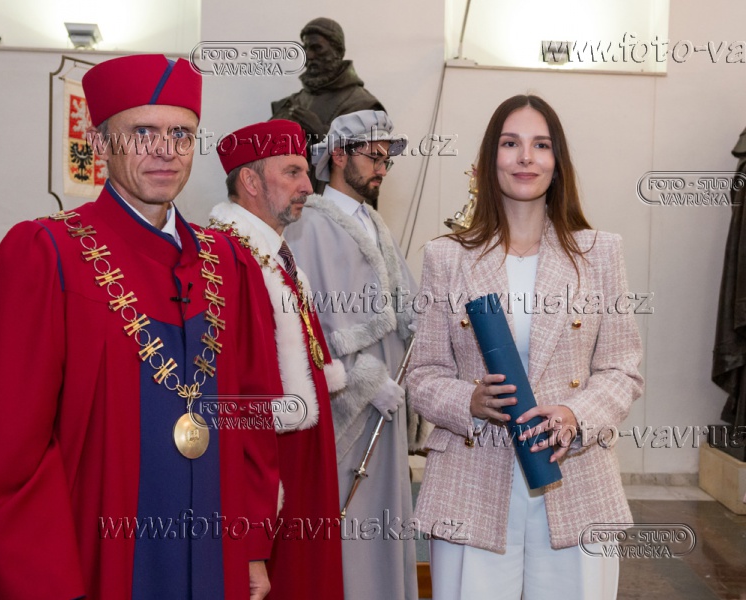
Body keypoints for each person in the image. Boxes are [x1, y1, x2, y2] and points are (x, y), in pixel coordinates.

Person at [0, 54, 281, 600]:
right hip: (95, 560)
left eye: (181, 134)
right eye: (142, 132)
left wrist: (252, 544)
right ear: (99, 143)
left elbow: (251, 411)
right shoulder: (46, 256)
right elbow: (13, 456)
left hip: (214, 552)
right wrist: (49, 587)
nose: (165, 149)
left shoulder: (230, 262)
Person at [406, 94, 644, 600]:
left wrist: (576, 415)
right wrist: (469, 400)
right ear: (490, 157)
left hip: (575, 475)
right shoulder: (447, 257)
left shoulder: (600, 253)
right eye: (511, 143)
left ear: (557, 162)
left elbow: (622, 368)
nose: (525, 158)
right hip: (472, 479)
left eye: (541, 145)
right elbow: (422, 372)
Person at [208, 119, 347, 600]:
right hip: (271, 476)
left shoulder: (274, 256)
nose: (308, 186)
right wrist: (252, 525)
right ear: (250, 181)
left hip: (300, 466)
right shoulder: (229, 260)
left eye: (305, 172)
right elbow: (235, 400)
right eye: (292, 172)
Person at [284, 109, 418, 600]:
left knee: (385, 520)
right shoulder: (308, 224)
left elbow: (405, 308)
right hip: (348, 408)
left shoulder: (375, 224)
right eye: (373, 157)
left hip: (388, 407)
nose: (382, 168)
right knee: (350, 529)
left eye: (387, 160)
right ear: (339, 155)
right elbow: (304, 323)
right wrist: (365, 380)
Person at [270, 17, 385, 196]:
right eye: (306, 48)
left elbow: (368, 169)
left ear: (337, 51)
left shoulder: (363, 105)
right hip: (286, 205)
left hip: (330, 206)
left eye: (317, 48)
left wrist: (321, 132)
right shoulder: (290, 103)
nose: (309, 56)